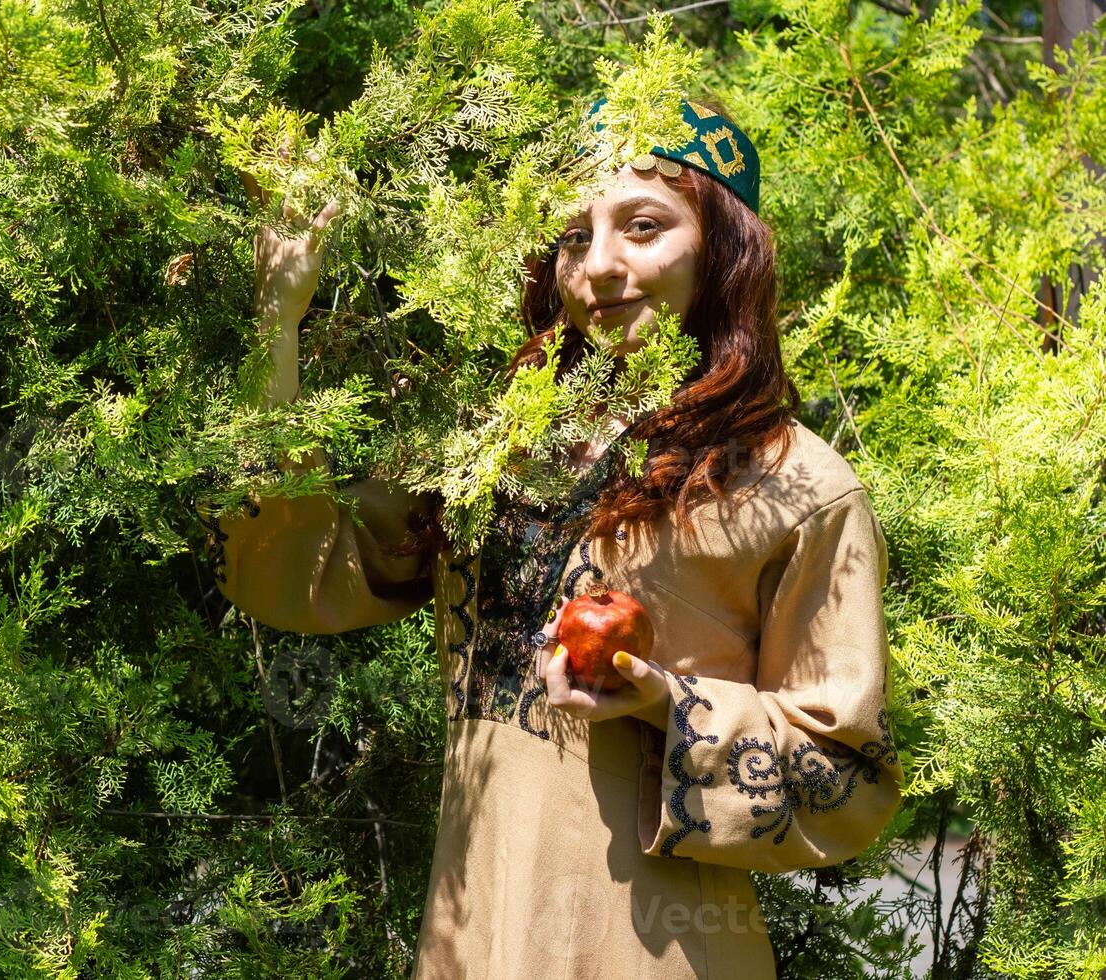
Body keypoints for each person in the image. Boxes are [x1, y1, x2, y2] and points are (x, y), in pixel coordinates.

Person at [199, 99, 903, 980]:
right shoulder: (495, 437)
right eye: (572, 236)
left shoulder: (796, 481)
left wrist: (663, 702)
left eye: (643, 227)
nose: (599, 267)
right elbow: (298, 572)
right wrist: (280, 320)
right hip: (469, 934)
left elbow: (848, 780)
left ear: (725, 249)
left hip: (655, 953)